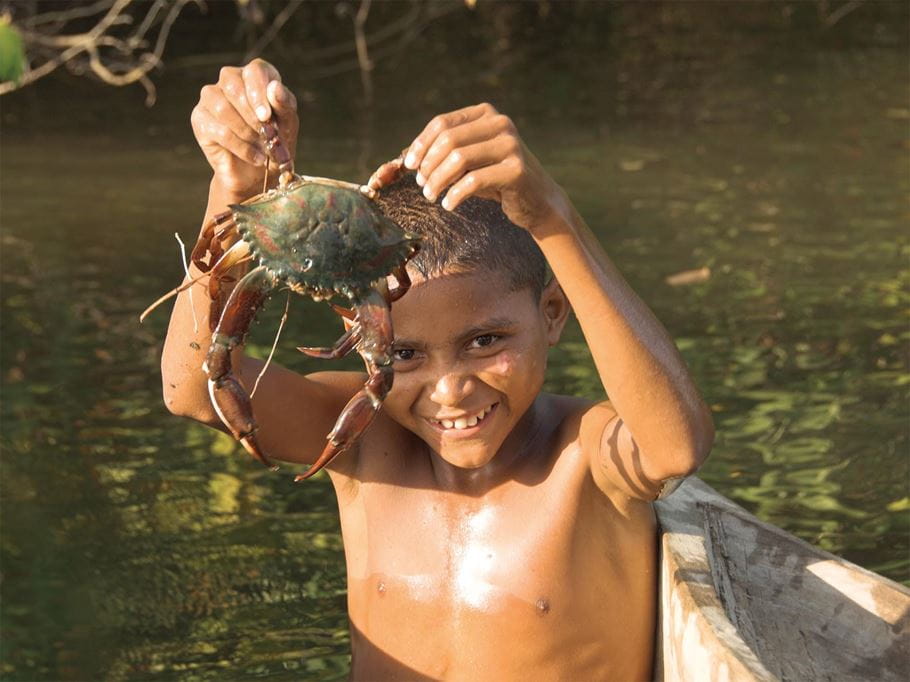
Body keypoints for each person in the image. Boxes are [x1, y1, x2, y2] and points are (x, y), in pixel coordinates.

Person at [162, 59, 714, 681]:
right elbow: (194, 391)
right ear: (360, 336)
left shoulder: (584, 458)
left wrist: (551, 217)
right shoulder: (364, 441)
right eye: (404, 354)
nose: (449, 389)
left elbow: (675, 449)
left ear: (553, 314)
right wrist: (233, 193)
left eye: (485, 341)